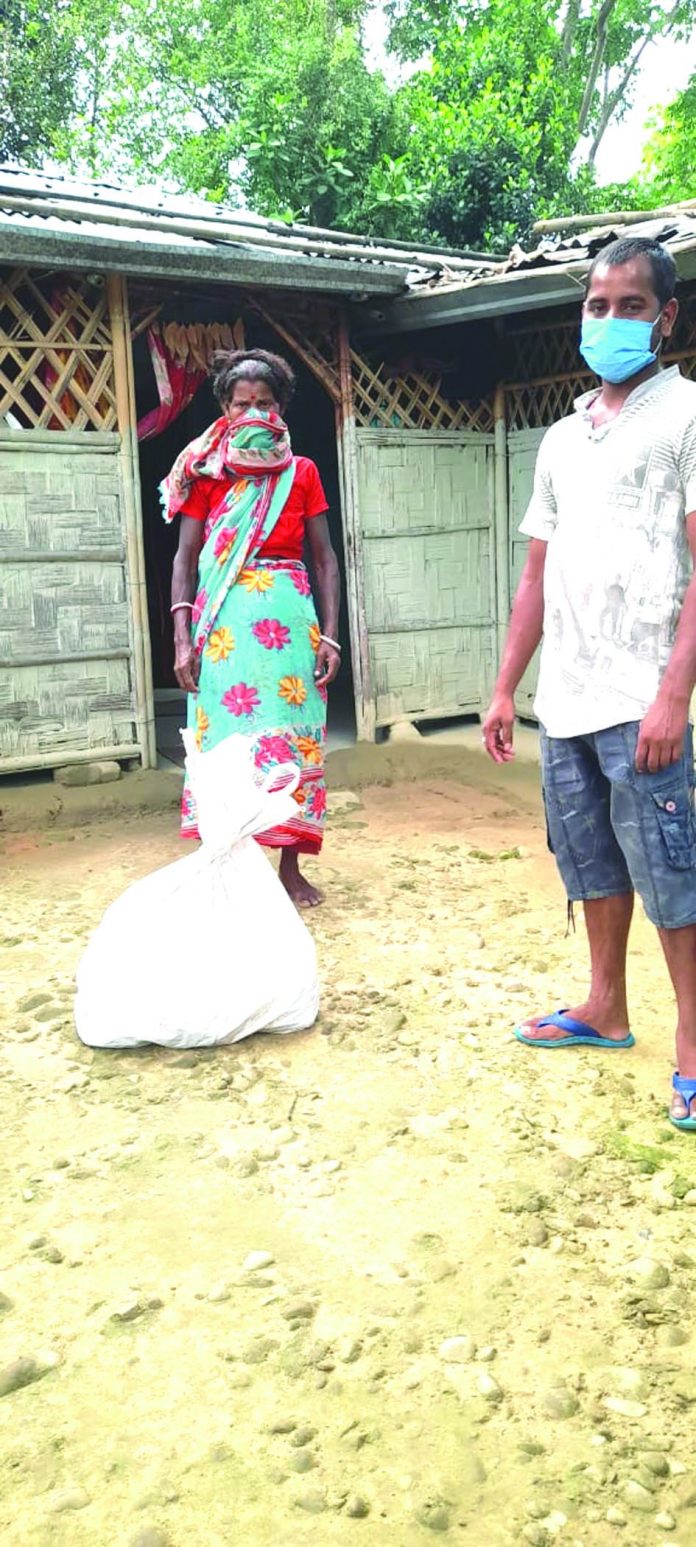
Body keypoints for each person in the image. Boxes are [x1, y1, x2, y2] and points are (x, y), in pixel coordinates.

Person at [483, 236, 696, 1133]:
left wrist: (674, 693)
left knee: (671, 872)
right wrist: (506, 687)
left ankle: (693, 1042)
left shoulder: (686, 416)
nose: (609, 321)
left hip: (642, 696)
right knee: (591, 862)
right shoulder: (563, 437)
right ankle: (605, 1006)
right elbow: (536, 574)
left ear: (665, 317)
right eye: (597, 306)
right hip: (565, 696)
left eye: (630, 306)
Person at [165, 347, 341, 908]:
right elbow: (185, 558)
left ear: (281, 407)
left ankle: (289, 867)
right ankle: (226, 868)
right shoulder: (207, 472)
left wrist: (330, 635)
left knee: (292, 741)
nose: (255, 413)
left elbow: (324, 559)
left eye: (265, 402)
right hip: (222, 629)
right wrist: (181, 637)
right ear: (225, 408)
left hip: (290, 628)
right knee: (227, 745)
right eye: (243, 404)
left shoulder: (302, 472)